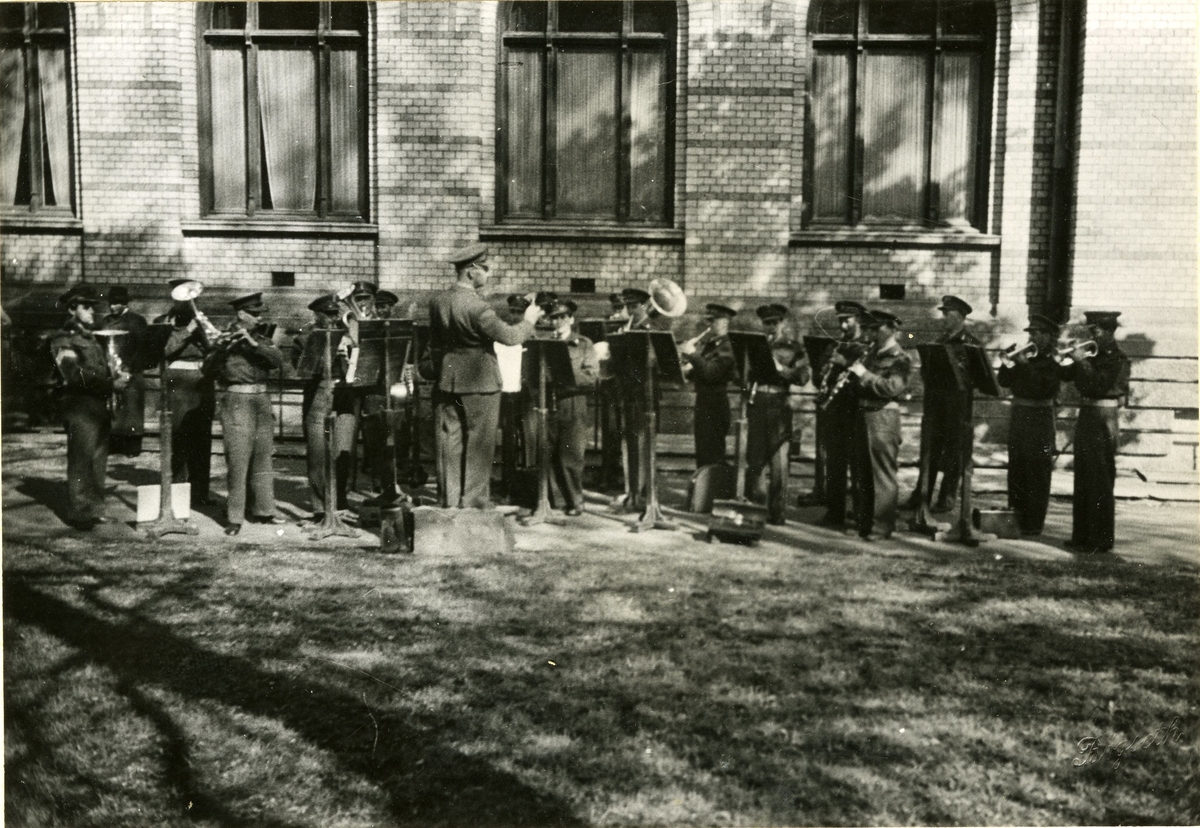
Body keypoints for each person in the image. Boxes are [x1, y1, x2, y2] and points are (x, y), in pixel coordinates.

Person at [428, 243, 541, 508]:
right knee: (480, 441)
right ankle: (474, 500)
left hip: (448, 377)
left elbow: (434, 343)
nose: (488, 275)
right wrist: (529, 320)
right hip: (480, 380)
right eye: (485, 270)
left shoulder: (438, 302)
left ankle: (449, 499)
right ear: (471, 271)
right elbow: (511, 337)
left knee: (449, 439)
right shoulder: (479, 308)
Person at [203, 292, 287, 535]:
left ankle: (263, 510)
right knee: (238, 459)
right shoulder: (224, 335)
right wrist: (221, 349)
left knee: (263, 456)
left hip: (261, 399)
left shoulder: (261, 336)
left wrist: (253, 343)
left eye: (260, 313)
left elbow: (277, 361)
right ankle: (235, 517)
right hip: (237, 399)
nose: (258, 317)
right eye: (254, 314)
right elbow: (207, 369)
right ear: (241, 314)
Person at [49, 285, 127, 529]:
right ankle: (80, 513)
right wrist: (110, 383)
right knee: (82, 459)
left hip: (97, 404)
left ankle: (95, 509)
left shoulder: (90, 338)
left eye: (93, 305)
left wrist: (116, 373)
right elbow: (73, 374)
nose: (93, 310)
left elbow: (98, 368)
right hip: (79, 405)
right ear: (72, 308)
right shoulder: (64, 338)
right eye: (86, 306)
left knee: (98, 459)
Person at [1059, 311, 1130, 554]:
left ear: (1110, 331)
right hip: (1088, 415)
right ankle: (1081, 536)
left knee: (1099, 477)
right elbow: (1066, 375)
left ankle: (1100, 539)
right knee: (1083, 476)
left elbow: (1100, 386)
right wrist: (1066, 360)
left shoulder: (1117, 359)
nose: (1092, 335)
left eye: (1096, 331)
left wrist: (1081, 361)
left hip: (1103, 417)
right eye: (1091, 331)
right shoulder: (1093, 355)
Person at [846, 310, 911, 541]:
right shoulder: (870, 353)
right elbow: (860, 386)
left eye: (877, 328)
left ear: (892, 328)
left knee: (881, 474)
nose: (871, 332)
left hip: (883, 417)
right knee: (862, 471)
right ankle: (864, 523)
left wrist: (865, 376)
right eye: (870, 328)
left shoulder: (900, 358)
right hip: (864, 414)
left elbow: (892, 388)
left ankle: (882, 527)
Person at [996, 314, 1061, 536]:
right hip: (1020, 417)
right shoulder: (1027, 357)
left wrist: (1024, 365)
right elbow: (1004, 382)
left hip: (1040, 418)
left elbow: (1045, 389)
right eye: (1030, 333)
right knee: (1017, 468)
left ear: (1047, 336)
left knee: (1037, 470)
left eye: (1035, 333)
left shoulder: (1055, 360)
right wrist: (1006, 363)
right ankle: (1015, 518)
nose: (1031, 337)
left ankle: (1033, 523)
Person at [915, 295, 981, 514]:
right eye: (943, 313)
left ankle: (947, 497)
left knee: (954, 451)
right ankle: (921, 494)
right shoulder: (939, 341)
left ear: (961, 317)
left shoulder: (971, 344)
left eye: (949, 314)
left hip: (958, 407)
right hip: (936, 404)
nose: (944, 318)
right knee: (930, 450)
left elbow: (978, 377)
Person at [746, 303, 811, 525]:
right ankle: (757, 508)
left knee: (779, 461)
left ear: (782, 323)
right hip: (757, 403)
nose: (771, 327)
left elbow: (803, 377)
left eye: (775, 323)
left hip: (779, 402)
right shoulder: (755, 346)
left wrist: (782, 370)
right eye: (767, 323)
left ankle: (777, 512)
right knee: (755, 458)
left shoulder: (794, 348)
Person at [294, 293, 355, 520]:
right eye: (328, 315)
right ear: (317, 315)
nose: (333, 319)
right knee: (319, 453)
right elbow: (300, 371)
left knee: (343, 451)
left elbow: (360, 371)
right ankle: (321, 507)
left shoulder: (348, 335)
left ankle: (340, 504)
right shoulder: (305, 337)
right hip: (319, 393)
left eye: (335, 314)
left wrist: (349, 353)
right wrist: (324, 353)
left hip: (344, 392)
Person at [814, 300, 870, 527]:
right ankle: (834, 512)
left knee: (857, 466)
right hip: (834, 412)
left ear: (858, 321)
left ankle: (858, 513)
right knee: (835, 465)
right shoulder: (835, 345)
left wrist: (844, 362)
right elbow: (819, 378)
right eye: (840, 321)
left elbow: (865, 376)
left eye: (847, 320)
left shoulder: (866, 346)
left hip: (854, 411)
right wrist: (824, 371)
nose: (843, 325)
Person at [159, 288, 216, 508]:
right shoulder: (164, 322)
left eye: (193, 297)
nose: (190, 302)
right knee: (179, 437)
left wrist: (207, 331)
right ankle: (176, 495)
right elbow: (164, 351)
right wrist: (186, 332)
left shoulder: (200, 320)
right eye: (185, 298)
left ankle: (200, 494)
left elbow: (214, 347)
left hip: (202, 380)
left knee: (202, 440)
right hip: (179, 382)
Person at [542, 299, 600, 515]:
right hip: (546, 402)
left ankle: (575, 501)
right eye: (554, 317)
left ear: (571, 319)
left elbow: (593, 377)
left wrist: (564, 374)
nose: (558, 321)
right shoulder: (543, 342)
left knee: (572, 455)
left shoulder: (584, 343)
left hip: (573, 403)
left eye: (562, 317)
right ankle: (551, 501)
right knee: (545, 452)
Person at [680, 303, 737, 469]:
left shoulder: (728, 346)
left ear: (725, 322)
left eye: (713, 321)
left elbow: (711, 373)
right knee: (703, 452)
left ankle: (714, 491)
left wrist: (692, 354)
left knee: (712, 453)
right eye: (708, 321)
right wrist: (686, 367)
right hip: (704, 400)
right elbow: (699, 372)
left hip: (715, 402)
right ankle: (704, 491)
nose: (709, 325)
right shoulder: (711, 345)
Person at [102, 285, 150, 456]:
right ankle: (114, 443)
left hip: (132, 372)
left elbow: (142, 349)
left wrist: (128, 369)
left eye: (116, 303)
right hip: (112, 370)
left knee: (131, 410)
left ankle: (132, 446)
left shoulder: (136, 321)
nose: (112, 307)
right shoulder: (106, 322)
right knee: (114, 409)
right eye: (110, 303)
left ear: (124, 303)